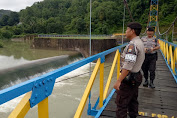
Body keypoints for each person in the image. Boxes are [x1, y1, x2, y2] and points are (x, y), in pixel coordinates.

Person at [114, 22, 145, 118]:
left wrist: (119, 81)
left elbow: (128, 65)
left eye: (127, 30)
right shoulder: (140, 42)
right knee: (132, 101)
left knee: (121, 104)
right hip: (136, 76)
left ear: (132, 31)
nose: (125, 32)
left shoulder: (132, 45)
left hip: (129, 79)